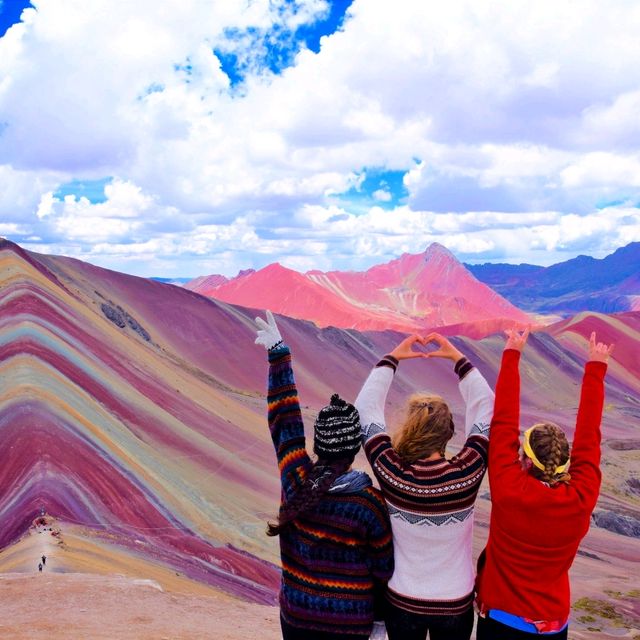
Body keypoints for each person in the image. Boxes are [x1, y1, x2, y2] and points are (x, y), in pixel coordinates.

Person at [255, 311, 394, 640]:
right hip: (351, 626)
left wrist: (279, 355)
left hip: (296, 618)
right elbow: (384, 570)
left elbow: (284, 422)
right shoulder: (368, 505)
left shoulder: (295, 479)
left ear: (318, 443)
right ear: (353, 449)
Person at [475, 329, 614, 639]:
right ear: (565, 463)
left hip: (501, 619)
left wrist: (512, 353)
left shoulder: (509, 489)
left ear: (524, 459)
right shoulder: (579, 499)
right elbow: (590, 437)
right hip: (552, 624)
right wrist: (595, 368)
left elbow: (502, 423)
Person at [355, 332, 495, 640]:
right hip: (455, 604)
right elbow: (486, 407)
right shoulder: (468, 472)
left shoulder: (392, 472)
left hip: (403, 602)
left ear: (410, 428)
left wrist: (393, 358)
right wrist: (458, 358)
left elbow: (365, 411)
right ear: (448, 433)